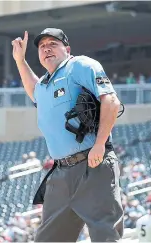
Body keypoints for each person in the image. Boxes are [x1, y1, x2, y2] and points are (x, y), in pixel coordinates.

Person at [11, 28, 124, 242]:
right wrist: (20, 60)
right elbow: (33, 89)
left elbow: (111, 101)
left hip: (93, 164)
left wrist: (100, 144)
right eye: (42, 46)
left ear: (67, 49)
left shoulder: (79, 66)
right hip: (61, 172)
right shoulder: (44, 83)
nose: (46, 49)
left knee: (105, 235)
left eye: (53, 44)